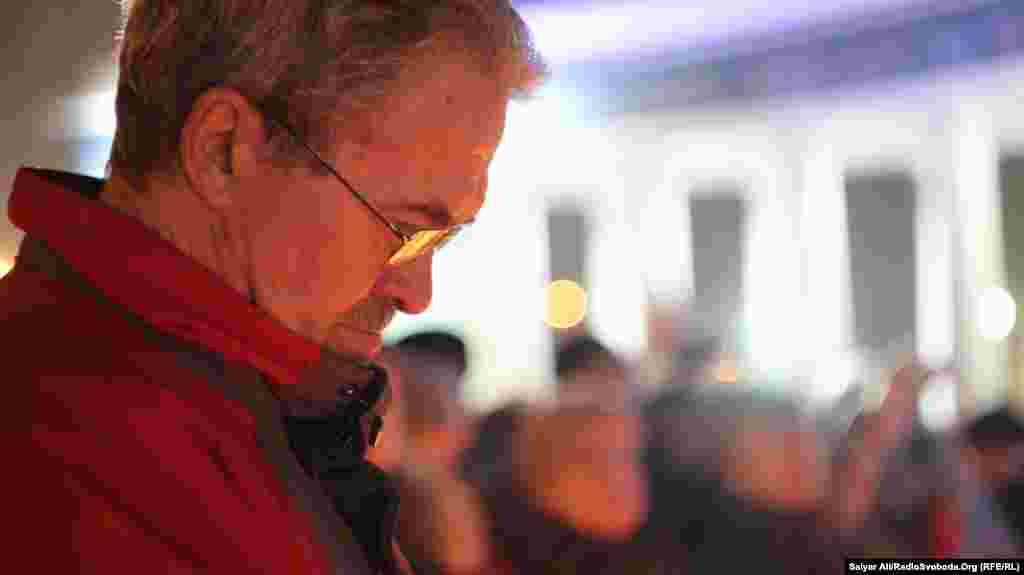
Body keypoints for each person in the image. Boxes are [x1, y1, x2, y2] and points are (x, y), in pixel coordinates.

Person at [5, 1, 544, 573]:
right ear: (222, 150)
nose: (418, 294)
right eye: (403, 228)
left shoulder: (227, 414)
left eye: (441, 239)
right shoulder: (74, 455)